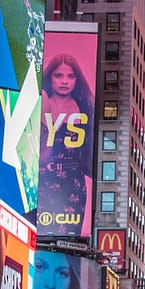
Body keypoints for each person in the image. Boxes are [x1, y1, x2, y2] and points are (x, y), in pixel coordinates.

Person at [38, 54, 96, 227]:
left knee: (69, 234)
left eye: (70, 76)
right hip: (41, 181)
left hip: (72, 185)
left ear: (77, 79)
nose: (65, 81)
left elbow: (90, 153)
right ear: (50, 78)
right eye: (59, 75)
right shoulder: (41, 101)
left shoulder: (86, 108)